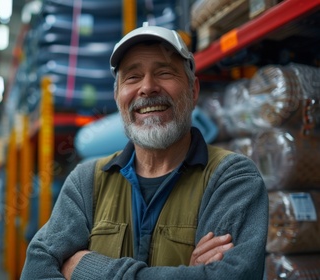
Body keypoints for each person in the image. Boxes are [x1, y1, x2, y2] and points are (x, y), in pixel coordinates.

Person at [21, 22, 268, 279]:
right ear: (118, 97)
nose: (147, 87)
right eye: (133, 77)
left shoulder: (233, 178)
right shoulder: (86, 182)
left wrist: (84, 268)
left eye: (164, 73)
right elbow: (36, 268)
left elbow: (229, 276)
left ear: (193, 91)